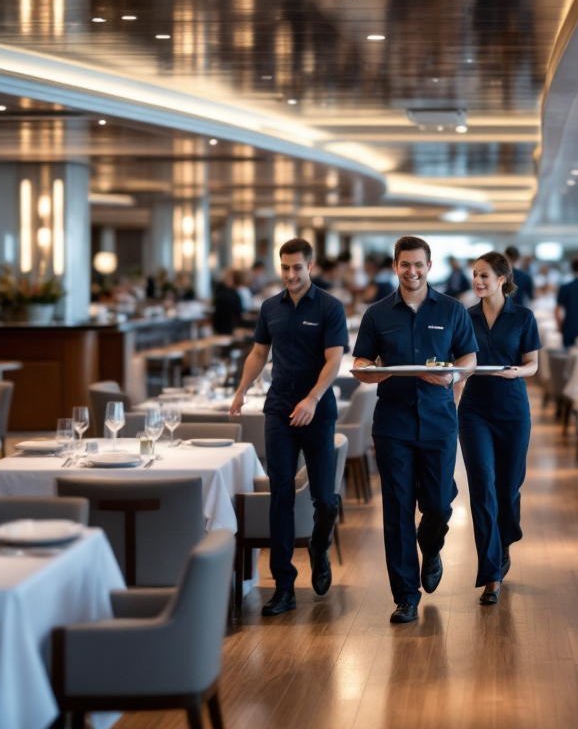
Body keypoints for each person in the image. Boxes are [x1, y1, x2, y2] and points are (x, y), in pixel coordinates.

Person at [353, 236, 478, 624]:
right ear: (395, 266)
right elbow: (360, 365)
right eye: (405, 264)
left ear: (429, 265)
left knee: (439, 505)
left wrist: (451, 376)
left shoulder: (453, 309)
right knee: (398, 510)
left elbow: (469, 357)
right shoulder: (376, 314)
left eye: (418, 264)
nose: (412, 271)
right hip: (393, 425)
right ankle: (406, 596)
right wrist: (386, 370)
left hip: (440, 421)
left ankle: (432, 546)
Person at [230, 238, 348, 616]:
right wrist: (241, 390)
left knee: (325, 499)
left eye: (298, 267)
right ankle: (284, 586)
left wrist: (312, 399)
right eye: (285, 268)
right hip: (279, 410)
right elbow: (259, 353)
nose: (291, 275)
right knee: (280, 494)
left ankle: (319, 545)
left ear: (310, 267)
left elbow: (334, 361)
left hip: (317, 410)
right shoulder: (269, 307)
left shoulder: (330, 307)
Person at [458, 252, 540, 606]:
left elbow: (533, 364)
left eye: (484, 276)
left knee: (507, 489)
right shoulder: (464, 316)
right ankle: (491, 573)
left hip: (512, 408)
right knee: (482, 488)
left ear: (503, 279)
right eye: (475, 275)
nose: (477, 281)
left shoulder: (523, 316)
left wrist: (517, 372)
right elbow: (457, 360)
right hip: (474, 409)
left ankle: (503, 542)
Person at [211, 269, 244, 335]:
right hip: (230, 328)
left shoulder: (223, 293)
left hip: (222, 328)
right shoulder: (234, 294)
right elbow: (238, 313)